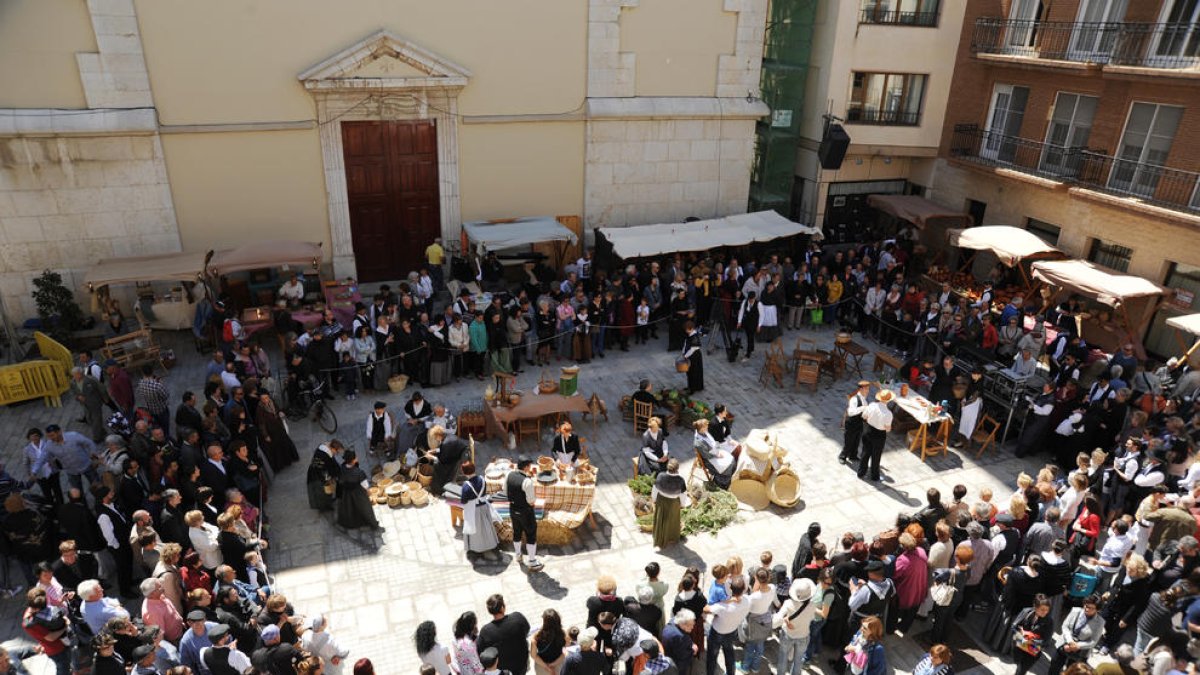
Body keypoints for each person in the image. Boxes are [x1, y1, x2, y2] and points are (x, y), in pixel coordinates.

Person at [1047, 594, 1104, 675]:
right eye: (1086, 606)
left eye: (1091, 608)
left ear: (1097, 610)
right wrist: (1070, 642)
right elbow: (1065, 626)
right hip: (1065, 644)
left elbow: (1093, 641)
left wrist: (1077, 646)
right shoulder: (1075, 611)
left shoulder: (1100, 622)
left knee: (1073, 672)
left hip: (1080, 651)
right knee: (1054, 667)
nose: (1087, 609)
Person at [704, 575, 750, 675]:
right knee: (729, 655)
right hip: (731, 631)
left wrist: (725, 600)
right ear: (743, 589)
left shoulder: (723, 606)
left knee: (712, 657)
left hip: (717, 633)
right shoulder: (747, 601)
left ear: (730, 588)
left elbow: (706, 609)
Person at [477, 594, 531, 675]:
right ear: (502, 608)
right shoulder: (518, 617)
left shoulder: (485, 631)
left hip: (502, 669)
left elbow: (481, 651)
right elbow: (527, 630)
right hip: (520, 664)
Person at [507, 457, 542, 571]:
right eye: (530, 465)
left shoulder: (509, 475)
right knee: (530, 534)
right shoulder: (527, 481)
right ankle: (532, 561)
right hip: (525, 512)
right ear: (526, 467)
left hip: (513, 509)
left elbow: (504, 491)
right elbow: (531, 501)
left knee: (516, 532)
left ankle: (518, 555)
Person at [336, 451, 383, 532]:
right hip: (358, 493)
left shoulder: (342, 468)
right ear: (353, 460)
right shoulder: (359, 472)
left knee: (350, 507)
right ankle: (373, 524)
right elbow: (365, 486)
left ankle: (352, 522)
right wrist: (369, 492)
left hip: (347, 493)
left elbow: (340, 480)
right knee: (366, 508)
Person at [460, 461, 500, 557]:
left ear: (464, 472)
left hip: (473, 510)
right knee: (486, 526)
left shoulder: (466, 486)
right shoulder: (482, 479)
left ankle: (477, 547)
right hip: (484, 507)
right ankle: (490, 543)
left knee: (475, 529)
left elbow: (463, 501)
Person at [1011, 594, 1053, 675]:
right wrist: (1021, 633)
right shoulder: (1026, 612)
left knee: (1021, 670)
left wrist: (1032, 640)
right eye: (1042, 609)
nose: (1045, 612)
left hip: (1033, 649)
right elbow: (1014, 626)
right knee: (1018, 664)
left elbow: (1046, 641)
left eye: (1047, 610)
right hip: (1019, 644)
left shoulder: (1049, 622)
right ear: (1035, 607)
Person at [857, 390, 894, 482]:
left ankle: (861, 473)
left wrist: (872, 420)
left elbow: (864, 416)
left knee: (865, 453)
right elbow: (888, 429)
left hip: (869, 431)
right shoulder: (888, 414)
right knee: (876, 456)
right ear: (888, 400)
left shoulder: (872, 405)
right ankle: (874, 476)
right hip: (879, 435)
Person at [692, 419, 736, 489]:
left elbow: (713, 442)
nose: (707, 427)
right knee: (727, 466)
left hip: (714, 452)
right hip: (709, 459)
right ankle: (722, 483)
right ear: (701, 428)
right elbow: (706, 455)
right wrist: (717, 455)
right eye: (706, 427)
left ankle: (730, 477)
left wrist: (719, 446)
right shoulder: (698, 442)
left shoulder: (704, 432)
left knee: (731, 459)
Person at [652, 460, 687, 549]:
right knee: (672, 521)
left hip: (661, 501)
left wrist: (654, 499)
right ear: (677, 468)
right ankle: (671, 537)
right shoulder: (681, 481)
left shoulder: (660, 476)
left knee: (661, 519)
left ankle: (659, 537)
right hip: (673, 503)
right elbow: (683, 495)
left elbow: (655, 490)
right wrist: (683, 504)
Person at [839, 381, 870, 465]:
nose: (868, 391)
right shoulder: (854, 399)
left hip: (859, 423)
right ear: (861, 389)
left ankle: (853, 455)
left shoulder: (864, 398)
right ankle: (842, 456)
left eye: (868, 389)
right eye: (866, 389)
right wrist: (862, 408)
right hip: (851, 423)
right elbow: (851, 412)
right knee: (849, 441)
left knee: (856, 440)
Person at [307, 441, 342, 512]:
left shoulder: (326, 451)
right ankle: (324, 507)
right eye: (337, 452)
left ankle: (327, 503)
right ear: (332, 449)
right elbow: (321, 469)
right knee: (322, 492)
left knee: (327, 490)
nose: (336, 454)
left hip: (321, 474)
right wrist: (329, 478)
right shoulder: (323, 455)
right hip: (317, 477)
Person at [530, 608, 566, 675]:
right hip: (558, 665)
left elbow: (533, 656)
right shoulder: (563, 634)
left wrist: (547, 667)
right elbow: (565, 652)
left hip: (542, 666)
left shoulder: (537, 636)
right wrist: (553, 665)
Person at [681, 320, 703, 392]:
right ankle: (689, 386)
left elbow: (692, 349)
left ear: (691, 328)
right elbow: (685, 343)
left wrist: (685, 356)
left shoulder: (695, 337)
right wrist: (683, 352)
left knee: (693, 372)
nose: (686, 331)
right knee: (689, 372)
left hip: (694, 357)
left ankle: (692, 389)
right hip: (690, 356)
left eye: (687, 330)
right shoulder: (689, 335)